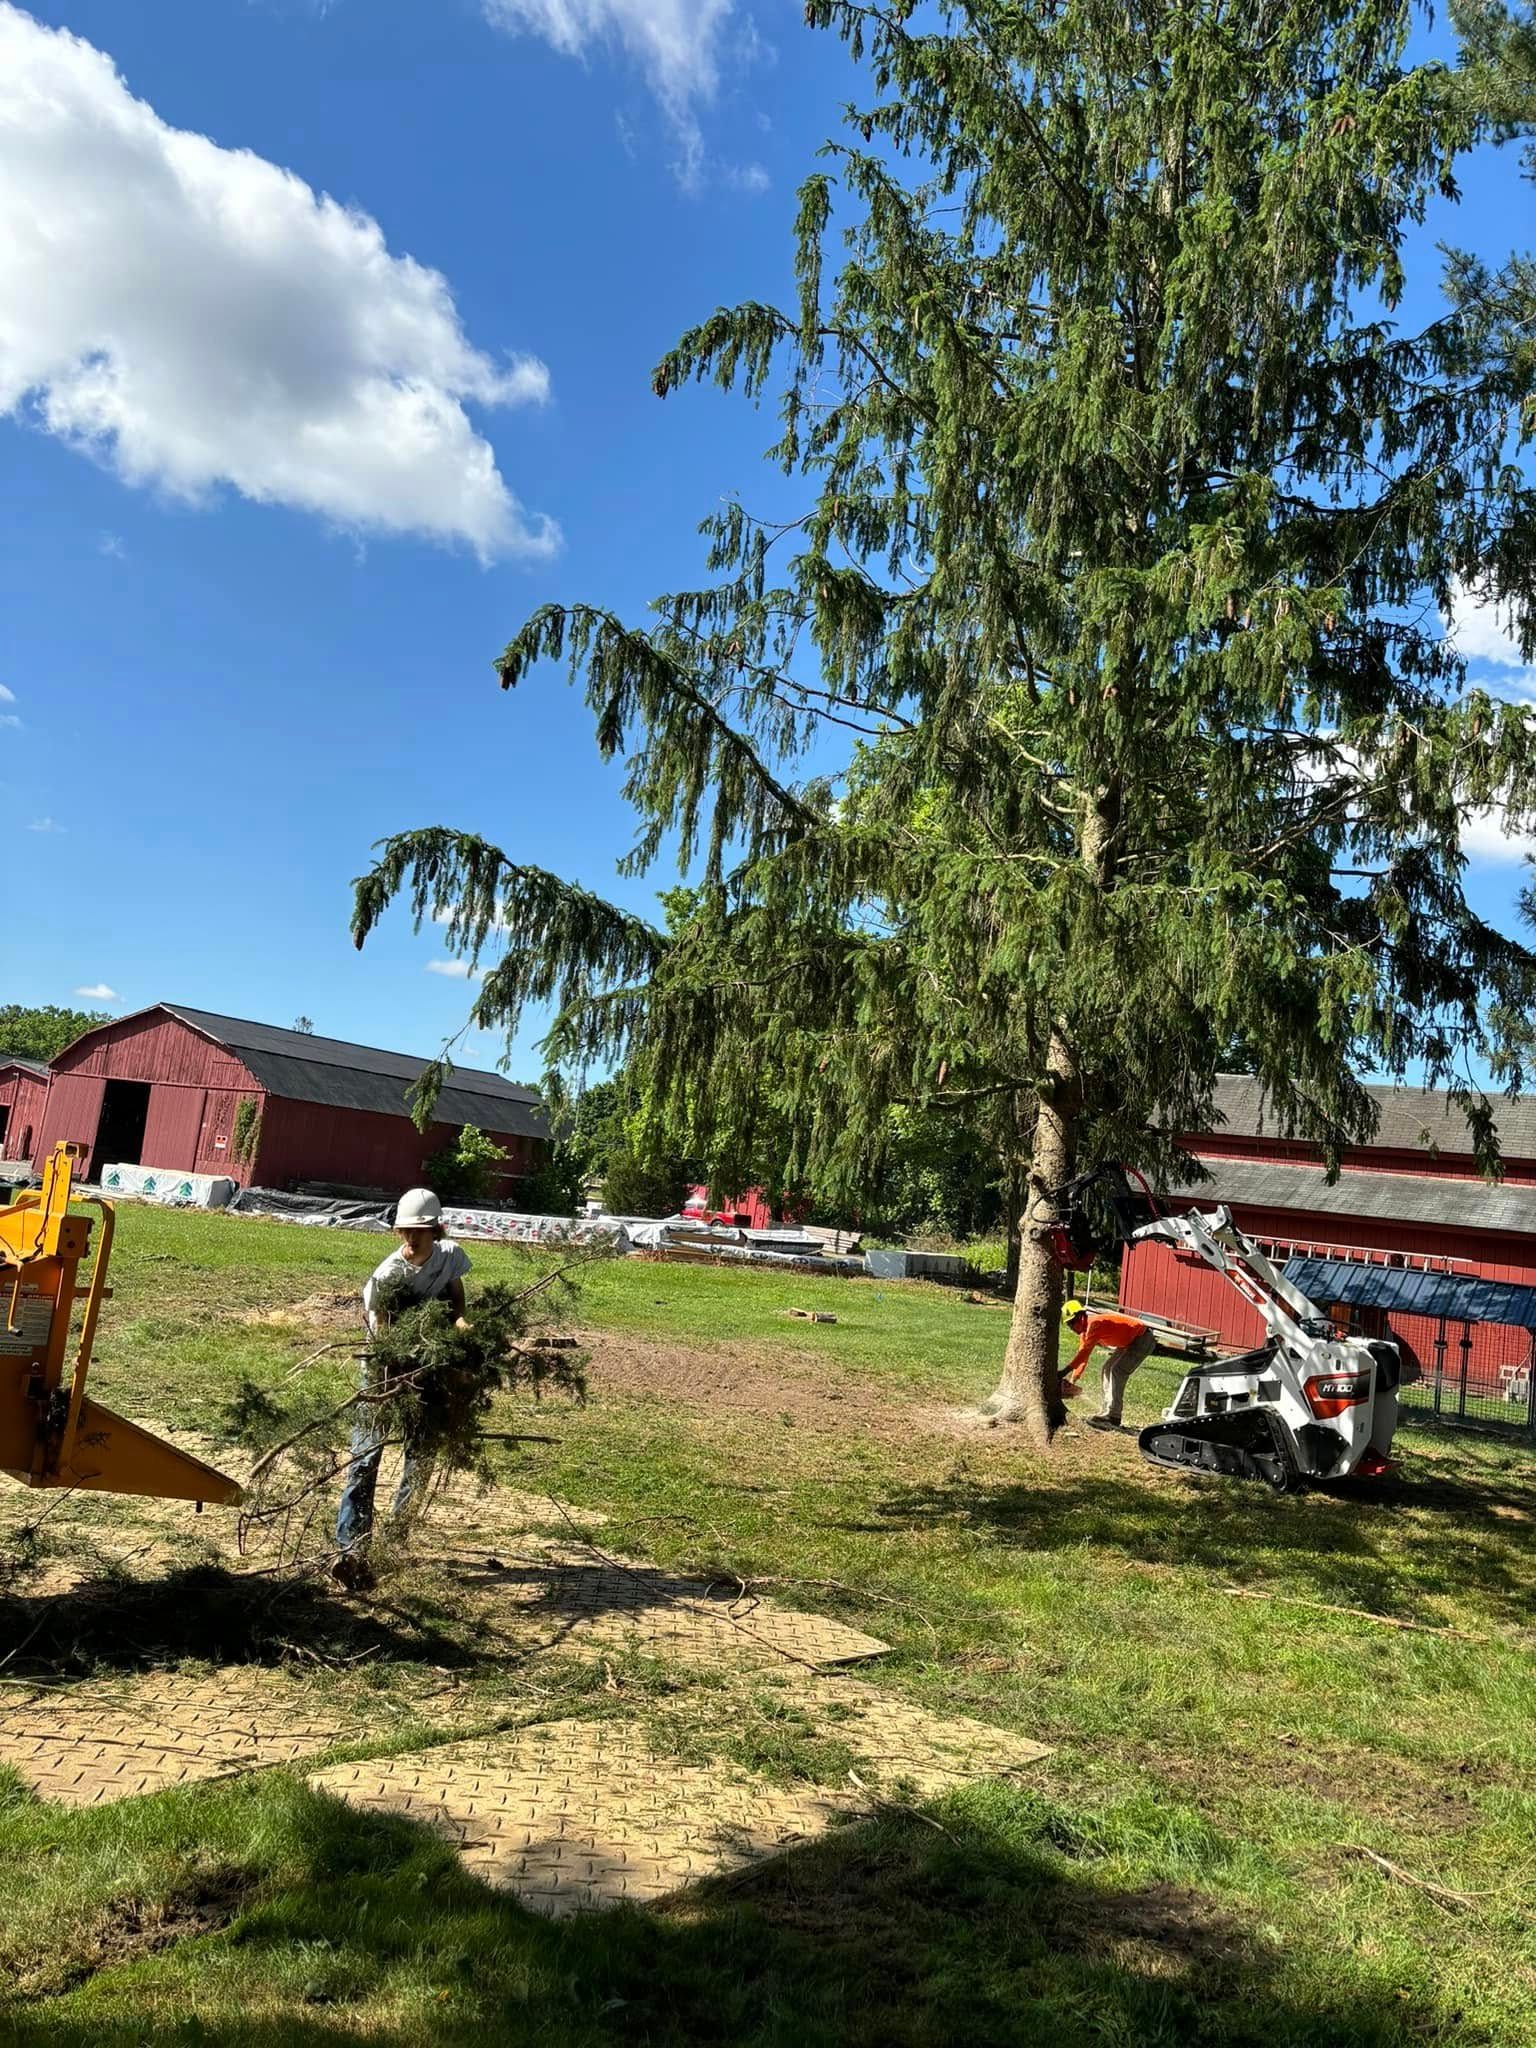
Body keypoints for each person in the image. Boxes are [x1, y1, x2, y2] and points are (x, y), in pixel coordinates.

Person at [333, 1187, 471, 1583]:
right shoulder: (388, 1275)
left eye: (419, 1232)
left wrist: (460, 1325)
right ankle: (351, 1547)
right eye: (405, 1232)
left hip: (429, 1364)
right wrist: (401, 1360)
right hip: (385, 1367)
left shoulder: (451, 1258)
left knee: (420, 1453)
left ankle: (396, 1539)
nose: (411, 1240)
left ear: (436, 1232)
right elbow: (382, 1332)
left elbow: (456, 1300)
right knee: (365, 1456)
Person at [1062, 1298, 1156, 1431]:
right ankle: (1107, 1410)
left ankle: (1114, 1416)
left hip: (1142, 1339)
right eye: (1068, 1325)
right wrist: (1073, 1380)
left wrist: (1064, 1371)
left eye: (1071, 1323)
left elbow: (1084, 1353)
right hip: (1127, 1343)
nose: (1071, 1328)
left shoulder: (1095, 1324)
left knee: (1117, 1370)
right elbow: (1083, 1357)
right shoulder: (1085, 1333)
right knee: (1106, 1369)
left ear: (1080, 1317)